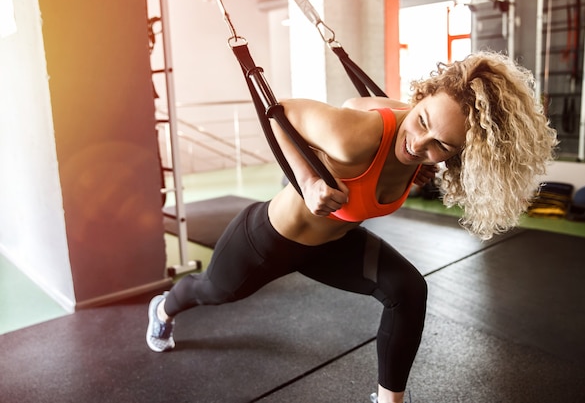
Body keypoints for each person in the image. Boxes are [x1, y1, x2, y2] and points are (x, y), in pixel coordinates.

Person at [146, 51, 558, 403]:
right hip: (268, 239)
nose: (419, 144)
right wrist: (307, 181)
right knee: (212, 291)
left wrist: (414, 169)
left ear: (461, 154)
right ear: (422, 95)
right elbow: (279, 112)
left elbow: (363, 107)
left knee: (408, 290)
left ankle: (388, 400)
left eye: (441, 146)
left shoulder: (420, 155)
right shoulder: (358, 136)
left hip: (334, 243)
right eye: (422, 121)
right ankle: (163, 308)